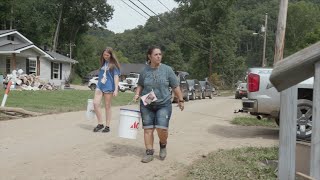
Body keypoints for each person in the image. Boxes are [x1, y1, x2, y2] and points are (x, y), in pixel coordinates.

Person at [133, 46, 184, 163]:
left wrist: (180, 99)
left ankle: (163, 144)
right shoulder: (144, 71)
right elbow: (140, 85)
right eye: (156, 54)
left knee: (162, 129)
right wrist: (137, 94)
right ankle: (149, 152)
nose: (159, 56)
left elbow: (175, 86)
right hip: (147, 103)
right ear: (149, 56)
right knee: (148, 129)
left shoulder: (167, 70)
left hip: (163, 104)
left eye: (160, 54)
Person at [93, 47, 121, 133]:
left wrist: (116, 89)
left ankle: (107, 126)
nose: (105, 56)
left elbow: (116, 77)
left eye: (107, 55)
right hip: (100, 86)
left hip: (109, 87)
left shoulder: (113, 65)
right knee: (95, 103)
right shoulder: (103, 63)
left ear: (111, 55)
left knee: (107, 106)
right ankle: (100, 123)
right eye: (104, 55)